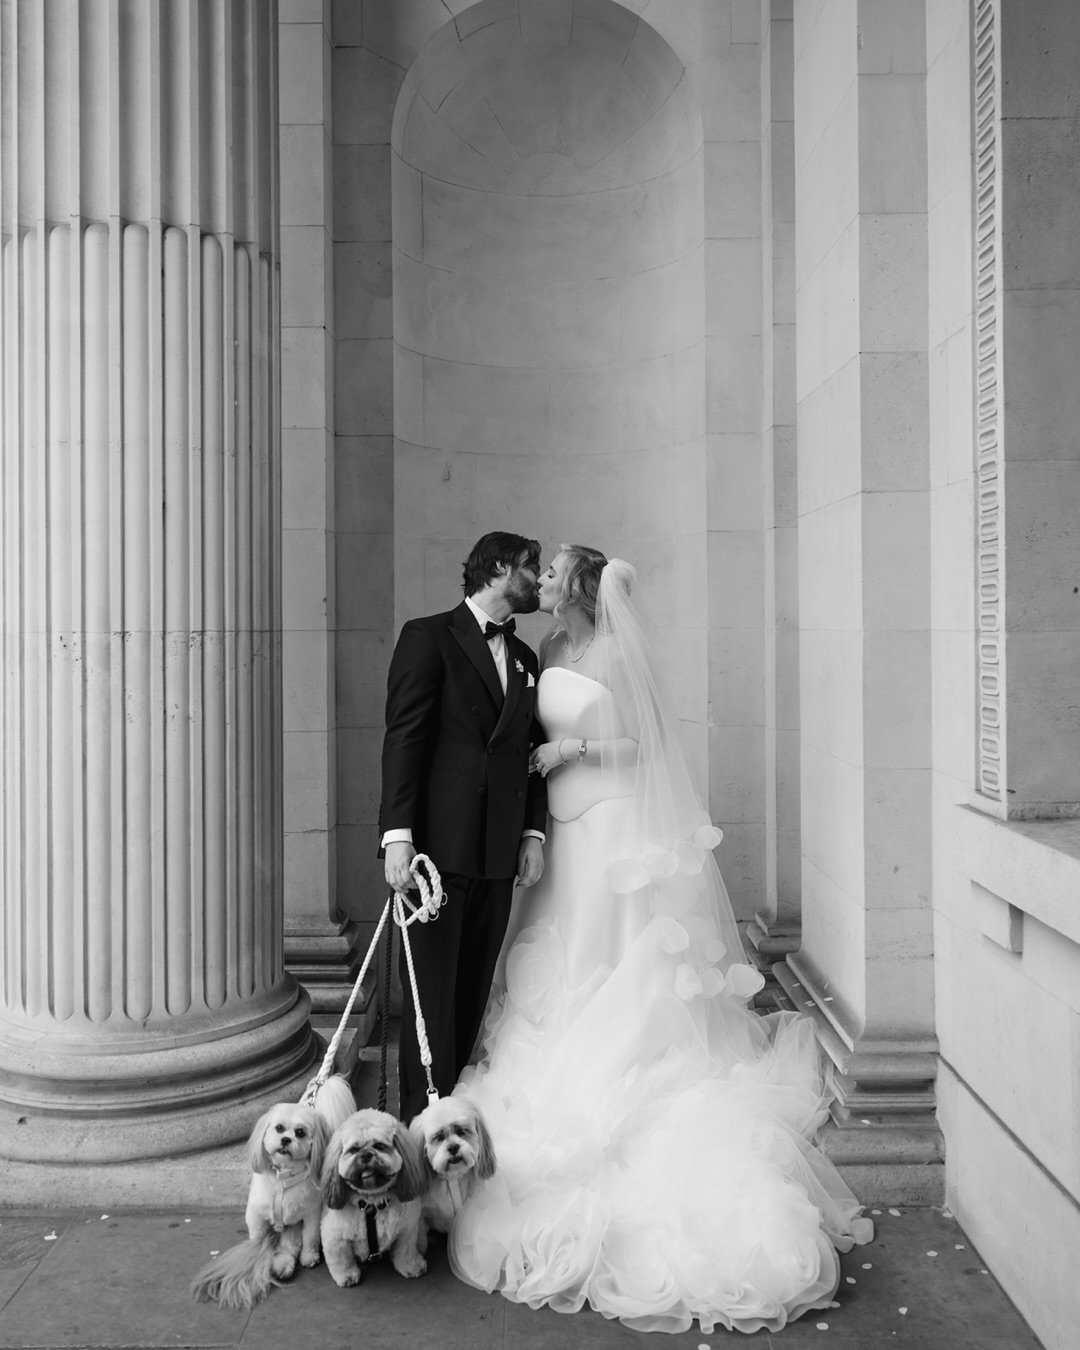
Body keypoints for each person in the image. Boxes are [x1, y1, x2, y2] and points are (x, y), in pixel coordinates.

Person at [447, 545, 873, 1336]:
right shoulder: (549, 646)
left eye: (552, 572)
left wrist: (569, 750)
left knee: (616, 958)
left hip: (610, 824)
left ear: (580, 587)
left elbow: (645, 748)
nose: (542, 580)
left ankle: (621, 1058)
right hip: (562, 831)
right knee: (554, 951)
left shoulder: (616, 652)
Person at [379, 532, 548, 1125]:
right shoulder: (428, 636)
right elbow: (404, 738)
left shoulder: (525, 658)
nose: (538, 579)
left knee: (472, 992)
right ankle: (417, 1126)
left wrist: (532, 834)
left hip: (498, 853)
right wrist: (397, 835)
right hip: (434, 852)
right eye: (530, 567)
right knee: (429, 999)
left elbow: (530, 752)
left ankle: (448, 1124)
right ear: (498, 568)